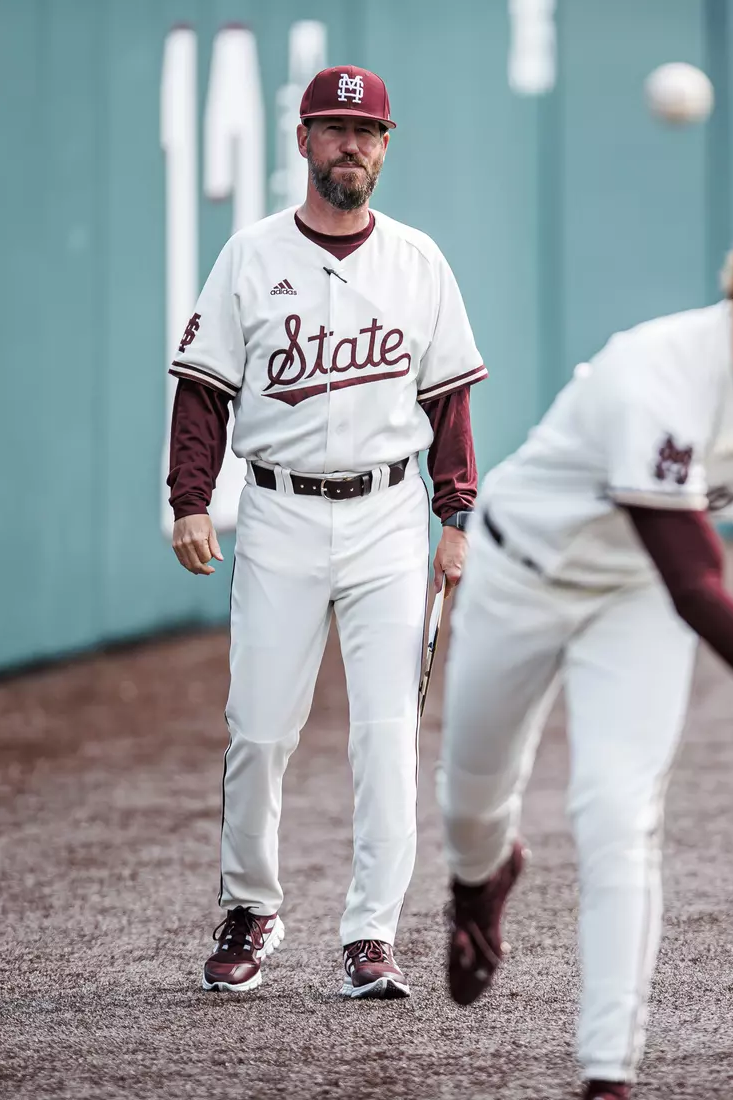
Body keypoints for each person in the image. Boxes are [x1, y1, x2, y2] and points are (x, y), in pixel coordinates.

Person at [435, 219, 733, 1097]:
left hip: (633, 601)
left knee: (617, 815)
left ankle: (607, 1074)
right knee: (470, 800)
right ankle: (482, 875)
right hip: (520, 575)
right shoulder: (654, 369)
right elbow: (702, 585)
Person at [166, 64, 486, 1000]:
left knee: (386, 734)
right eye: (335, 129)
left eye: (369, 132)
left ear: (387, 146)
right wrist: (191, 497)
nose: (352, 145)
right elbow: (202, 390)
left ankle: (372, 933)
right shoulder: (250, 256)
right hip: (278, 513)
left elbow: (450, 400)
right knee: (259, 729)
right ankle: (251, 907)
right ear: (302, 140)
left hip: (389, 515)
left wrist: (454, 515)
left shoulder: (418, 260)